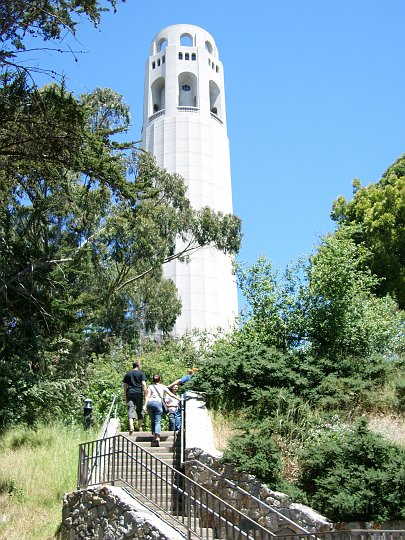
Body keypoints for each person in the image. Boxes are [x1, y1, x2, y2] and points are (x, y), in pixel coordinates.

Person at [144, 374, 180, 446]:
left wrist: (145, 405)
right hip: (158, 404)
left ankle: (154, 435)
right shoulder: (162, 386)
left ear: (153, 380)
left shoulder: (150, 386)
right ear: (159, 380)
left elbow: (147, 396)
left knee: (153, 420)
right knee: (157, 421)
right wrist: (180, 399)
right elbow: (171, 394)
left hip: (150, 404)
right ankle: (157, 437)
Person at [123, 361, 147, 435]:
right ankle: (140, 427)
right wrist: (145, 393)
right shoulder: (141, 373)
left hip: (130, 392)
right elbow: (143, 384)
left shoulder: (128, 374)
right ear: (138, 366)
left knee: (130, 409)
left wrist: (125, 395)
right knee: (139, 410)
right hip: (139, 392)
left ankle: (131, 426)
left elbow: (125, 386)